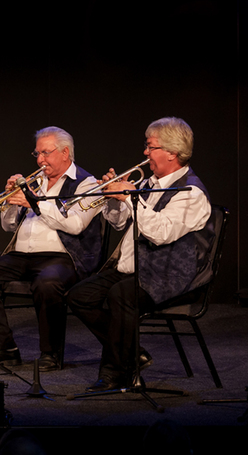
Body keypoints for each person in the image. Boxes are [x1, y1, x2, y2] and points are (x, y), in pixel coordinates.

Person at [67, 117, 213, 391]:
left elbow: (161, 232)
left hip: (171, 275)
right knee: (79, 295)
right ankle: (134, 354)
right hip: (134, 268)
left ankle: (115, 373)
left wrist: (132, 199)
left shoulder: (190, 192)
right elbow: (121, 223)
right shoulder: (148, 183)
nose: (145, 153)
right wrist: (114, 200)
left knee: (121, 295)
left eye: (150, 147)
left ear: (172, 152)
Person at [0, 126, 101, 371]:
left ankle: (51, 353)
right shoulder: (35, 182)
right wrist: (8, 202)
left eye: (45, 153)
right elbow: (8, 226)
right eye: (37, 154)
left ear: (65, 153)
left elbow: (75, 225)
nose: (40, 160)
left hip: (63, 257)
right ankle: (2, 348)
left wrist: (35, 204)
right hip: (22, 255)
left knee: (47, 283)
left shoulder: (86, 183)